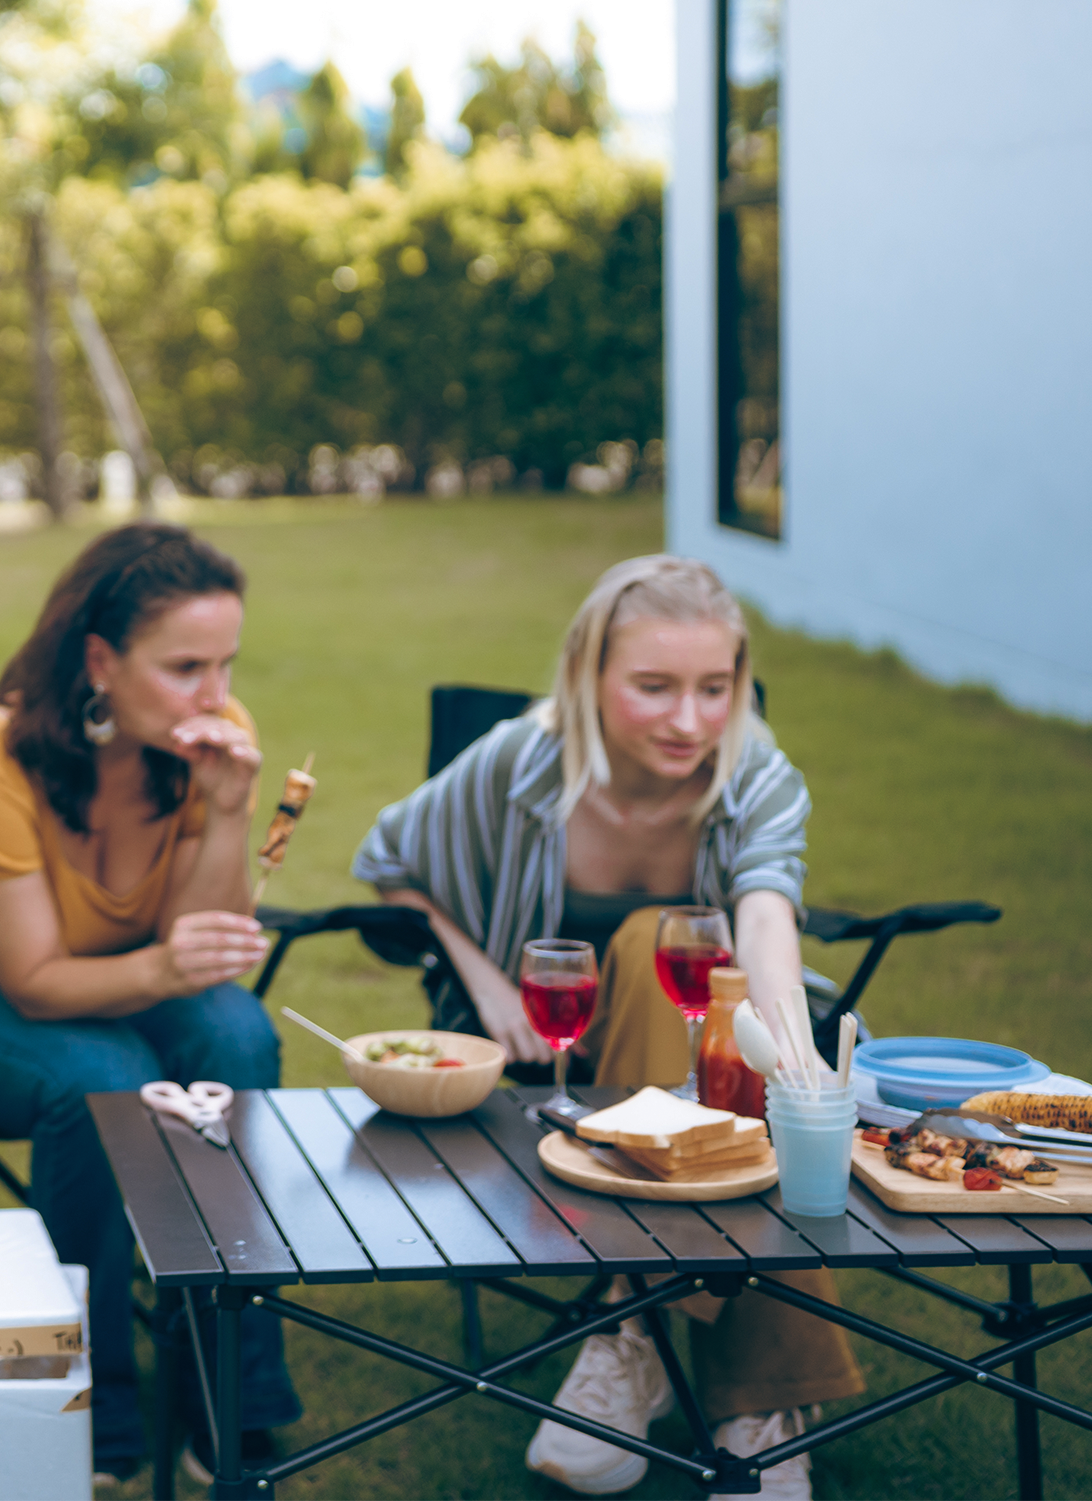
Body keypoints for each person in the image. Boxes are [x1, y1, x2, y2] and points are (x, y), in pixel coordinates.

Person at [353, 554, 862, 1498]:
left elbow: (764, 917)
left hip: (712, 1062)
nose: (689, 720)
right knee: (647, 944)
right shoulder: (518, 762)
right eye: (654, 687)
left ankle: (636, 1329)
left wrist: (790, 1046)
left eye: (716, 688)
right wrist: (484, 977)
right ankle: (757, 1408)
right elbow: (388, 857)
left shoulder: (756, 772)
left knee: (679, 964)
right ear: (589, 679)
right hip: (549, 1054)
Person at [0, 523, 301, 1491]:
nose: (216, 696)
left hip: (140, 968)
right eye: (185, 667)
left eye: (226, 664)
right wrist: (164, 969)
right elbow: (36, 980)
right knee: (102, 1075)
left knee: (236, 1034)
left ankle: (234, 1383)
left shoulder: (202, 739)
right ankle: (96, 1399)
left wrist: (231, 805)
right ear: (100, 659)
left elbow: (202, 949)